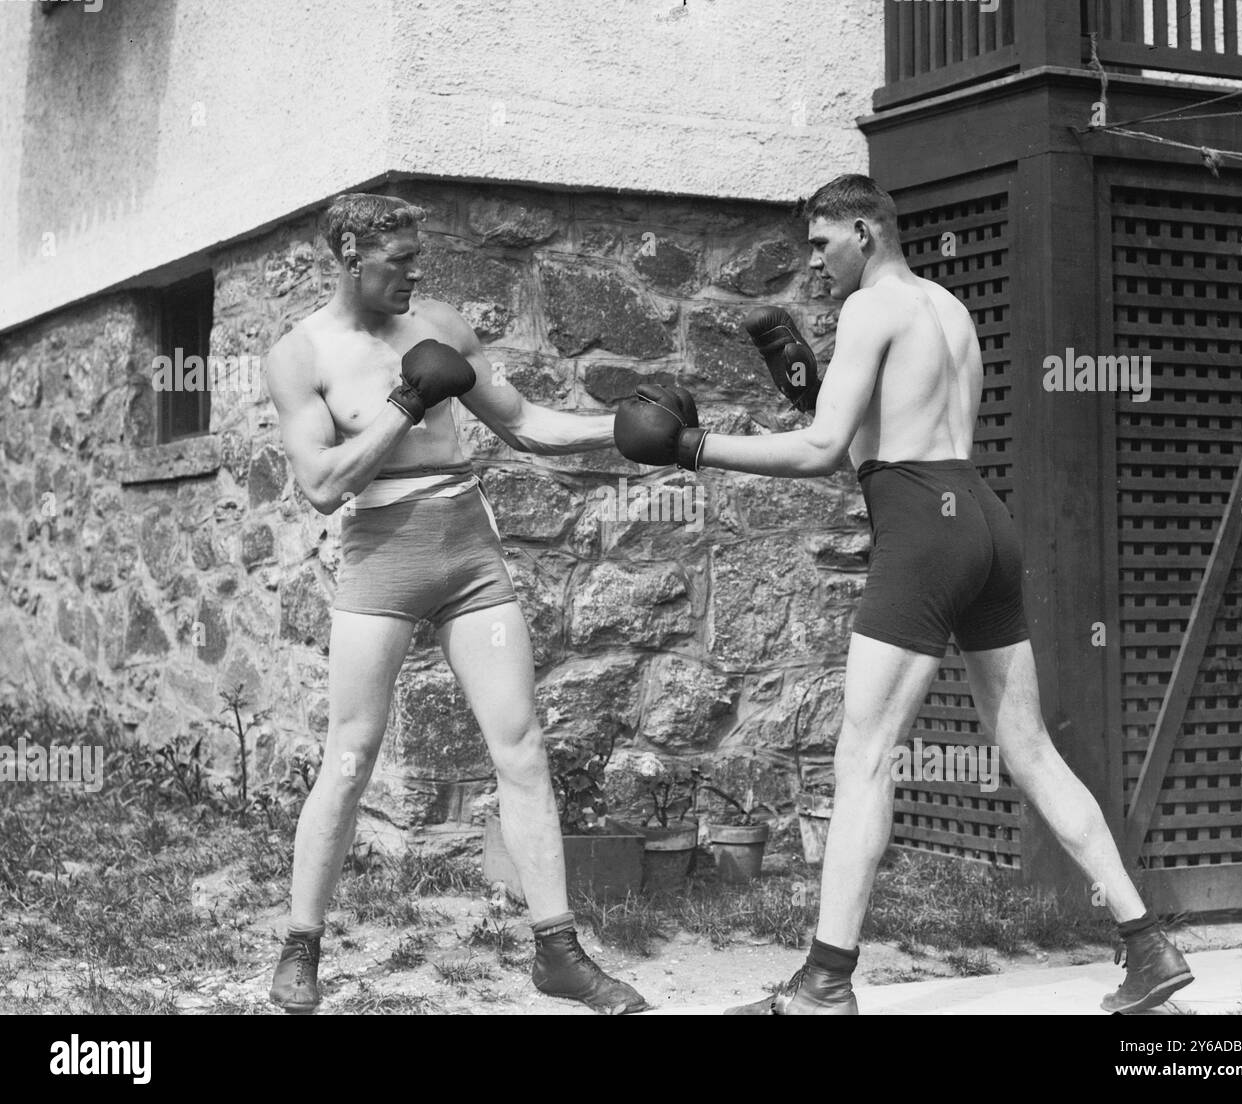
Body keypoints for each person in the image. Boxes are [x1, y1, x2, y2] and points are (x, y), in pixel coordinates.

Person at [613, 174, 1193, 1016]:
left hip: (924, 530)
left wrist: (696, 447)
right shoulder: (948, 310)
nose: (812, 264)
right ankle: (1147, 944)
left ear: (865, 231)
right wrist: (812, 389)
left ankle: (823, 984)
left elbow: (823, 453)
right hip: (984, 521)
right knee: (1028, 747)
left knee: (865, 755)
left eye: (821, 244)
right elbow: (887, 437)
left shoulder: (868, 310)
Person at [263, 193, 646, 1015]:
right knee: (351, 755)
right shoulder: (301, 356)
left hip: (468, 548)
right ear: (349, 253)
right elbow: (323, 486)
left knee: (521, 746)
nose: (415, 271)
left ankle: (560, 953)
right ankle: (301, 947)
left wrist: (624, 426)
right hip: (382, 555)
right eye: (398, 259)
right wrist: (406, 405)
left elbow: (526, 424)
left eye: (417, 256)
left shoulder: (441, 326)